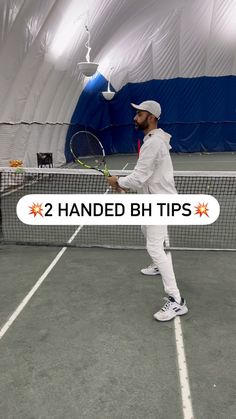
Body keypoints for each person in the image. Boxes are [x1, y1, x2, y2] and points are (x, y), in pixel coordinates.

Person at [107, 100, 188, 321]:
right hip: (152, 199)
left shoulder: (153, 143)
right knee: (145, 229)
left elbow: (139, 177)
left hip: (160, 203)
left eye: (140, 114)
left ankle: (177, 301)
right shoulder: (153, 139)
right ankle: (157, 265)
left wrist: (118, 181)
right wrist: (121, 185)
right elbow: (145, 178)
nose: (135, 118)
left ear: (151, 117)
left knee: (154, 246)